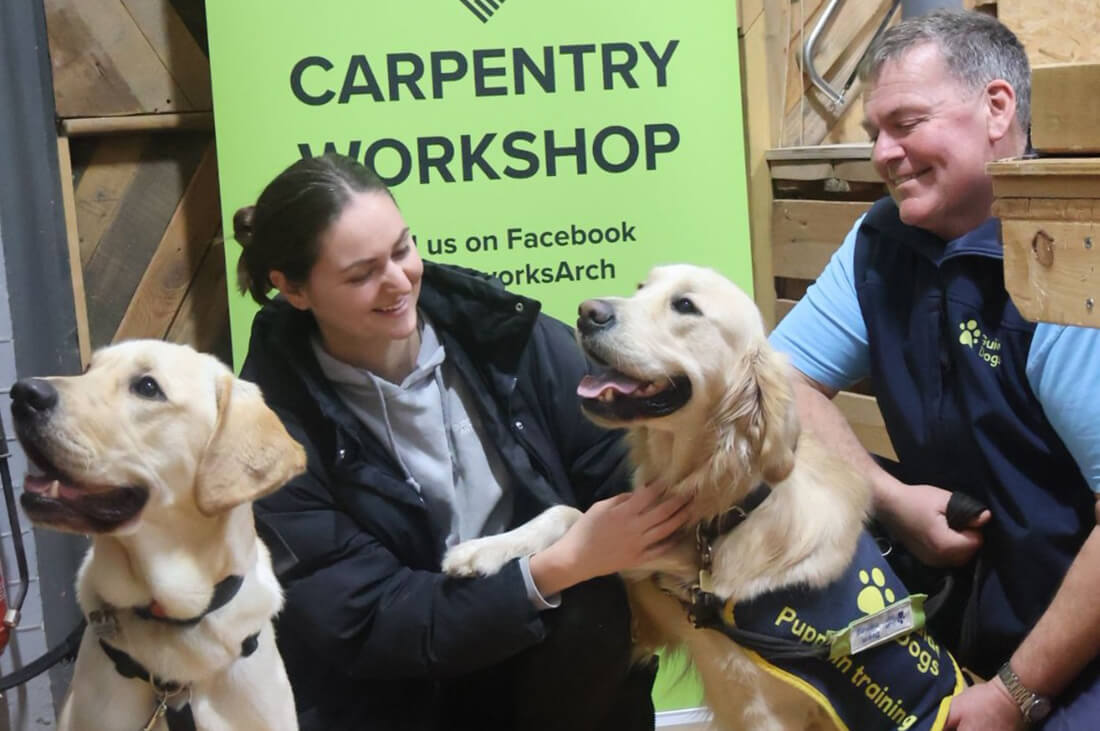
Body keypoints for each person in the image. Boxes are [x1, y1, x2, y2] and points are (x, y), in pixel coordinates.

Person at [234, 153, 690, 731]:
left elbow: (624, 474)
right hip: (393, 688)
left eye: (402, 250)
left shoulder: (510, 338)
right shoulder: (267, 434)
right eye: (361, 274)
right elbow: (370, 624)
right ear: (293, 289)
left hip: (544, 656)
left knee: (596, 604)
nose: (399, 282)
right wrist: (555, 567)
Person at [769, 10, 1100, 731]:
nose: (884, 154)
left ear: (996, 109)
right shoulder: (879, 240)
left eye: (906, 122)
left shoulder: (1067, 257)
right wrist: (892, 500)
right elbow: (782, 380)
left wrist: (1016, 693)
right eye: (872, 134)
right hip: (968, 617)